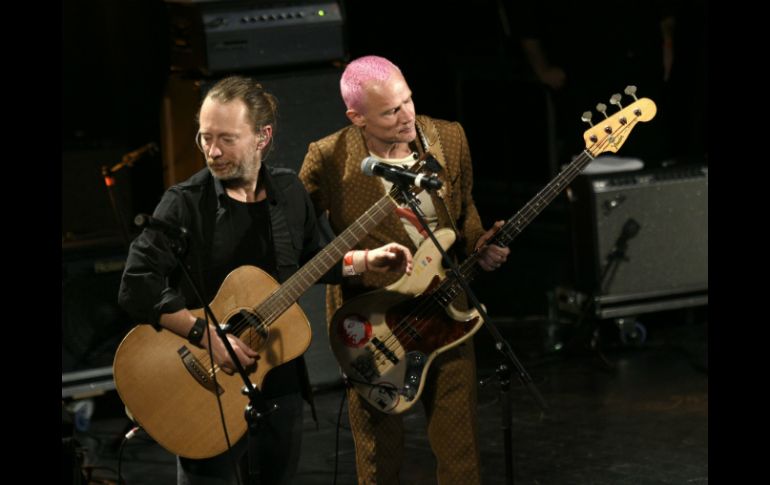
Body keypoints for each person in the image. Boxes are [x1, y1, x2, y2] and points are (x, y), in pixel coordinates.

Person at [117, 75, 413, 485]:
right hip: (203, 389)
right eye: (204, 137)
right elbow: (137, 284)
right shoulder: (184, 204)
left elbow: (313, 261)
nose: (212, 151)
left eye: (227, 138)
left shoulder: (288, 192)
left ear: (262, 136)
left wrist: (364, 260)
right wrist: (207, 335)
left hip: (277, 380)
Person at [299, 55, 510, 485]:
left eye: (408, 101)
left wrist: (481, 244)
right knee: (379, 455)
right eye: (391, 111)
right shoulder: (328, 157)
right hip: (373, 326)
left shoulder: (447, 138)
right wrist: (359, 261)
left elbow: (464, 212)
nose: (407, 116)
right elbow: (298, 251)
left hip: (447, 310)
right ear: (356, 117)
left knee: (460, 446)